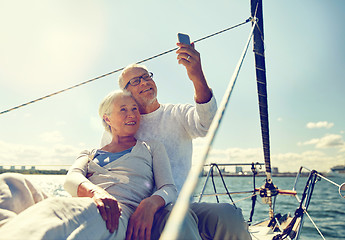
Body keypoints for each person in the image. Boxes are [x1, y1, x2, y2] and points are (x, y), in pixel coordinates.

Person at [0, 91, 200, 240]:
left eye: (134, 110)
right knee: (9, 181)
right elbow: (71, 180)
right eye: (123, 110)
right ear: (107, 118)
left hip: (115, 215)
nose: (132, 114)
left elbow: (169, 188)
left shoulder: (151, 148)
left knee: (58, 210)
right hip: (89, 201)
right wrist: (96, 193)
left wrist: (150, 203)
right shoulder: (89, 153)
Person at [101, 43, 252, 239]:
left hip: (182, 205)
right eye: (136, 80)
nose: (145, 82)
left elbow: (208, 124)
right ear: (125, 92)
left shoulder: (177, 113)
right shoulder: (118, 128)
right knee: (178, 220)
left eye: (147, 77)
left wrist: (196, 75)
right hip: (138, 211)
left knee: (230, 215)